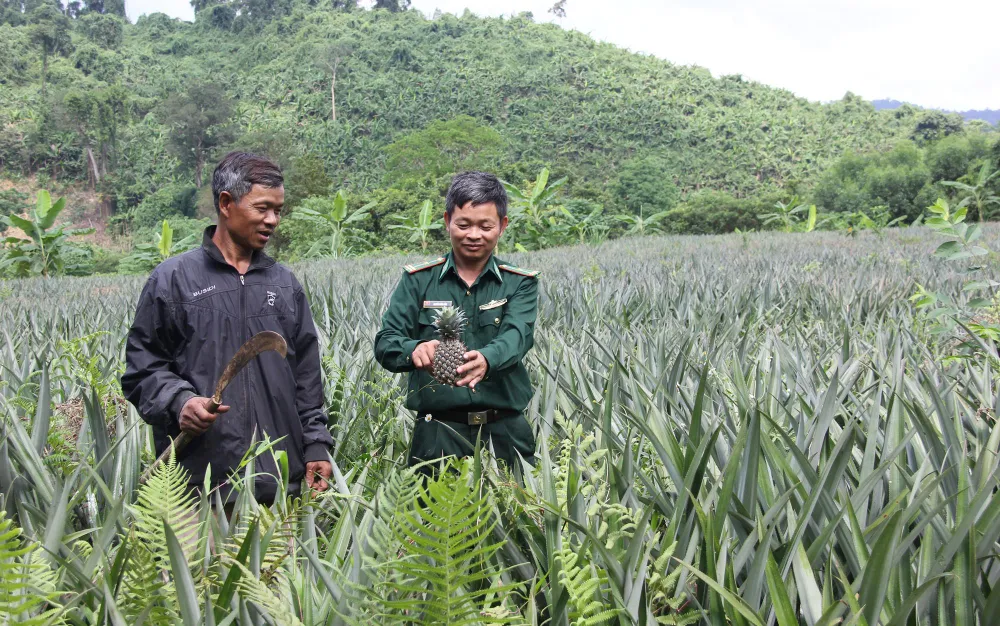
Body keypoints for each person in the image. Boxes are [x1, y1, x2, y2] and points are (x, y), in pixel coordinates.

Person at [121, 152, 334, 504]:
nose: (273, 220)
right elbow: (143, 369)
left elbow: (307, 378)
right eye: (262, 208)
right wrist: (180, 401)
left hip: (278, 484)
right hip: (195, 487)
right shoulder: (174, 280)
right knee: (198, 562)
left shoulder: (284, 285)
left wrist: (315, 445)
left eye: (279, 210)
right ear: (226, 203)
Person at [374, 171, 539, 472]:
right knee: (435, 518)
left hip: (505, 430)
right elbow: (386, 341)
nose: (474, 235)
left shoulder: (520, 283)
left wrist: (488, 359)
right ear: (447, 220)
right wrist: (414, 349)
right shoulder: (418, 280)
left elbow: (518, 335)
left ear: (502, 226)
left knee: (519, 514)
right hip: (438, 432)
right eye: (463, 224)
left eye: (485, 226)